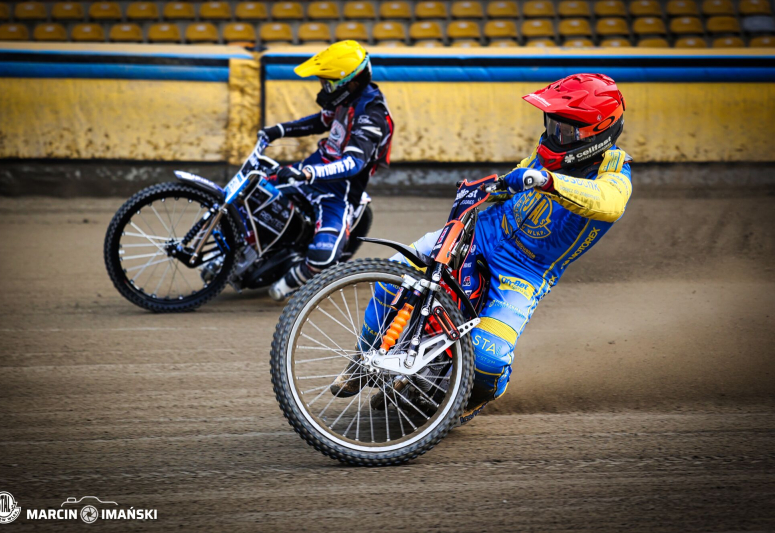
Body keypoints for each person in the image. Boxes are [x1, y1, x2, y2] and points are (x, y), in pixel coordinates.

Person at [331, 73, 632, 424]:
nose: (554, 134)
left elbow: (608, 201)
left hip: (525, 274)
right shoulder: (549, 152)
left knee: (488, 359)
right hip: (480, 234)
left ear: (597, 133)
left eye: (565, 129)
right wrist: (493, 186)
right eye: (552, 124)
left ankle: (466, 400)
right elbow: (518, 178)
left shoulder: (615, 174)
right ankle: (362, 361)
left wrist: (548, 181)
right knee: (392, 277)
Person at [260, 40, 393, 301]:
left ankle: (289, 283)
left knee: (323, 256)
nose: (323, 88)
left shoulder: (372, 115)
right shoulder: (347, 99)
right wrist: (279, 130)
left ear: (349, 83)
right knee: (255, 187)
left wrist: (308, 174)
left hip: (337, 191)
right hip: (310, 169)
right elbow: (322, 121)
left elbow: (353, 164)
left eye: (327, 83)